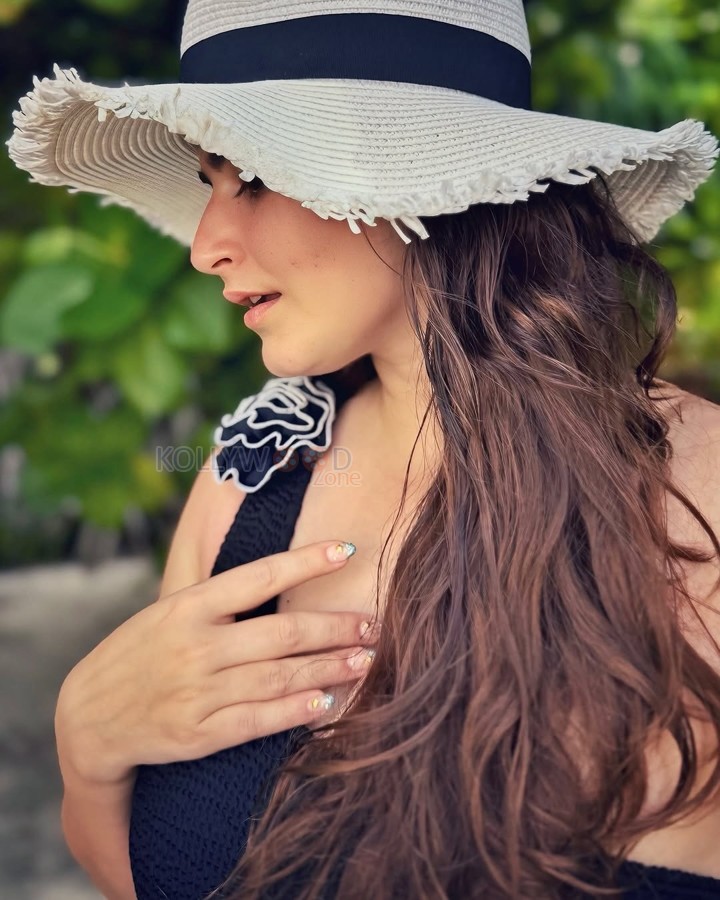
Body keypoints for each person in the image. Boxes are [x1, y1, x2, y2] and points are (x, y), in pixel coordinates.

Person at [7, 0, 720, 898]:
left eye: (251, 179)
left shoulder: (705, 493)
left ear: (405, 176)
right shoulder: (248, 485)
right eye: (207, 183)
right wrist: (89, 749)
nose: (206, 246)